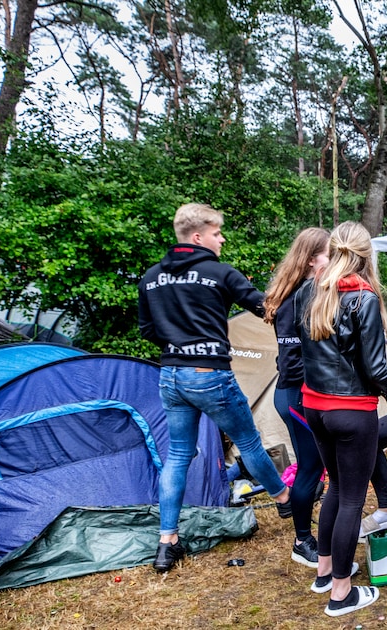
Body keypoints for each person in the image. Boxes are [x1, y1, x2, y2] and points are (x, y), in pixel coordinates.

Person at [138, 203, 291, 574]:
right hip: (209, 375)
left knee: (177, 456)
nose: (221, 239)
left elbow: (147, 332)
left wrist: (178, 339)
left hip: (171, 376)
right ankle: (285, 498)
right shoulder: (219, 273)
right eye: (217, 232)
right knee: (250, 442)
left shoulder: (151, 278)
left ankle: (167, 541)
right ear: (197, 236)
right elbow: (264, 308)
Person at [297, 221, 387, 617]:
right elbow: (377, 371)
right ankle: (341, 594)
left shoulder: (309, 291)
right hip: (350, 410)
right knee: (350, 497)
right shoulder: (362, 298)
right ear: (367, 255)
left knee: (335, 488)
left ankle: (325, 571)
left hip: (314, 406)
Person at [262, 227, 330, 569]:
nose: (333, 260)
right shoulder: (299, 297)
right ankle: (302, 541)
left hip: (295, 395)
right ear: (312, 259)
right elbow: (290, 360)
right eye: (328, 254)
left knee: (314, 467)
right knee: (310, 470)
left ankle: (315, 532)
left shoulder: (301, 290)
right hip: (297, 397)